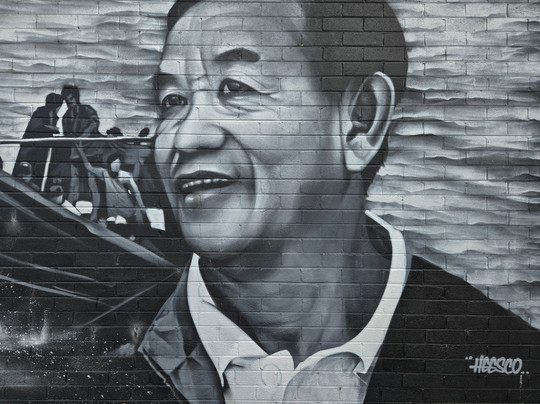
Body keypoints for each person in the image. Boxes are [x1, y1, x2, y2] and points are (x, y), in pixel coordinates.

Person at [139, 1, 540, 403]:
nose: (186, 137)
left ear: (360, 121)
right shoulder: (114, 363)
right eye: (173, 100)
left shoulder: (511, 372)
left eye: (236, 88)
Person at [13, 92, 62, 189]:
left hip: (42, 148)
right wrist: (52, 128)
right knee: (25, 169)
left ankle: (34, 185)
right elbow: (35, 126)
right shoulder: (41, 112)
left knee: (38, 169)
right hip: (31, 147)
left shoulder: (53, 115)